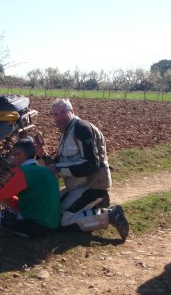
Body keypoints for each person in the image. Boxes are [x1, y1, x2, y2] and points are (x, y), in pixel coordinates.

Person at [35, 98, 130, 241]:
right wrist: (41, 154)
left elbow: (91, 164)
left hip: (93, 185)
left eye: (63, 112)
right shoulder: (65, 134)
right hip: (76, 186)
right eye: (55, 114)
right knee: (51, 212)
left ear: (72, 111)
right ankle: (95, 207)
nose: (59, 117)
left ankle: (110, 214)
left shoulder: (81, 128)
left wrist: (56, 167)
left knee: (62, 220)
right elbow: (59, 165)